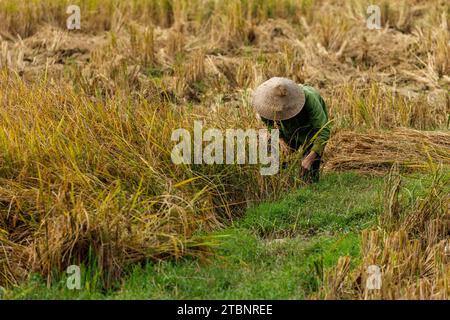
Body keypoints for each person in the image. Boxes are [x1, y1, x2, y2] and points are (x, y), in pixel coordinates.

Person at [252, 77, 331, 183]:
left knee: (309, 175)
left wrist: (310, 157)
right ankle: (280, 184)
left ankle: (310, 188)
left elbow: (323, 130)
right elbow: (269, 124)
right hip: (288, 131)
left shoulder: (309, 98)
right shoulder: (265, 105)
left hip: (311, 131)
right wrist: (280, 139)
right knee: (278, 160)